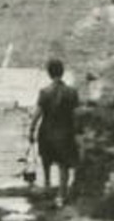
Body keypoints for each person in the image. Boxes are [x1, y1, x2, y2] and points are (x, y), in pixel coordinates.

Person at [28, 57, 80, 207]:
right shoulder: (72, 92)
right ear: (62, 72)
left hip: (47, 132)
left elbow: (38, 113)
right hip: (65, 132)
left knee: (46, 160)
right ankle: (61, 195)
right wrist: (77, 133)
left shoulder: (44, 92)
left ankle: (47, 185)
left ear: (49, 73)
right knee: (64, 165)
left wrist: (31, 130)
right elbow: (76, 115)